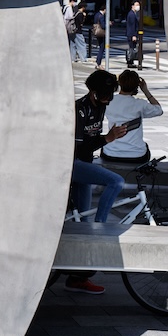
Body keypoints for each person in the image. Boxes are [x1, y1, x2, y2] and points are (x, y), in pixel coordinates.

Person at [65, 70, 129, 294]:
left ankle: (76, 278)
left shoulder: (100, 106)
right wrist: (107, 139)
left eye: (111, 95)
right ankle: (101, 229)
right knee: (116, 182)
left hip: (85, 164)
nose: (108, 100)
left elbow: (93, 142)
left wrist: (109, 137)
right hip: (73, 162)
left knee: (82, 222)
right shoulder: (79, 109)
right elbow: (78, 147)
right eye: (105, 95)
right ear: (93, 92)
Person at [101, 70, 163, 164]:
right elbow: (158, 110)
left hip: (110, 153)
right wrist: (145, 91)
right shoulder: (140, 104)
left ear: (120, 83)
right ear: (137, 86)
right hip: (136, 155)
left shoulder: (109, 101)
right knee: (145, 147)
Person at [126, 1, 142, 69]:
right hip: (131, 34)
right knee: (132, 49)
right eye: (136, 5)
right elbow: (132, 26)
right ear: (132, 6)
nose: (138, 6)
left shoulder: (132, 13)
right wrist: (134, 35)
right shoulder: (132, 14)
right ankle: (130, 62)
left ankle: (130, 62)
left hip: (130, 34)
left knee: (132, 48)